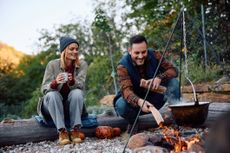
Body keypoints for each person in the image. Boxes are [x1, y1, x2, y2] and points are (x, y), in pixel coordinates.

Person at [113, 35, 179, 133]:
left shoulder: (155, 55)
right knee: (121, 105)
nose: (140, 56)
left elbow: (174, 71)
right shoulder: (122, 66)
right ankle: (133, 122)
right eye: (137, 53)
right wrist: (139, 101)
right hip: (135, 104)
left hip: (154, 99)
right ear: (130, 50)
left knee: (174, 82)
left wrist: (160, 77)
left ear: (147, 49)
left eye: (143, 52)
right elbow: (126, 90)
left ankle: (177, 118)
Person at [37, 36, 88, 145]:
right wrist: (55, 83)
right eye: (71, 49)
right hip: (51, 106)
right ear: (64, 50)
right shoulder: (52, 65)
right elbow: (44, 88)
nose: (75, 51)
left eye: (76, 49)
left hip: (71, 106)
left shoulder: (82, 65)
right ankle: (62, 131)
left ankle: (75, 130)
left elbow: (81, 86)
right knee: (52, 95)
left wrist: (73, 81)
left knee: (77, 92)